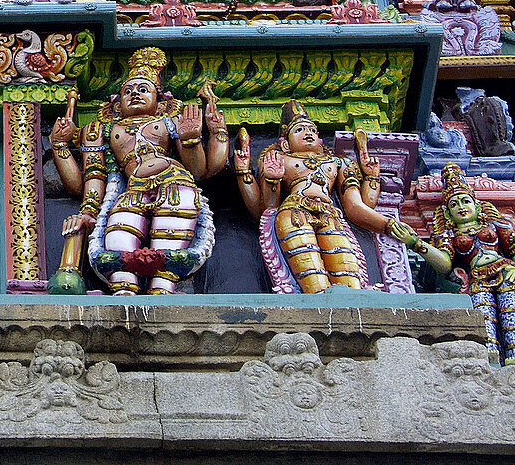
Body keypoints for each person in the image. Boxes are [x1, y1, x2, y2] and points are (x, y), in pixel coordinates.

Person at [55, 47, 224, 294]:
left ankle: (163, 290)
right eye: (127, 91)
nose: (135, 94)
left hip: (174, 183)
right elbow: (93, 176)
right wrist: (60, 147)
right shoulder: (99, 130)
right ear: (115, 105)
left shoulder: (170, 122)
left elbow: (199, 171)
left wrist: (191, 140)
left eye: (143, 90)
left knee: (170, 242)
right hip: (131, 189)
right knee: (117, 240)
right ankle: (123, 292)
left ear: (161, 102)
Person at [234, 101, 386, 293]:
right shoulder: (276, 159)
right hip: (294, 213)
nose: (308, 133)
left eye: (312, 129)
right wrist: (269, 180)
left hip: (330, 215)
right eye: (299, 129)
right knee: (312, 278)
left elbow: (358, 206)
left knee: (348, 274)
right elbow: (265, 208)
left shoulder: (339, 163)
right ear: (286, 144)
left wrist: (372, 176)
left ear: (321, 142)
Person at [389, 163, 515, 365]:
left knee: (510, 312)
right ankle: (492, 359)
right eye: (454, 205)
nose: (461, 207)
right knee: (484, 319)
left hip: (507, 272)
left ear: (477, 205)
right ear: (447, 213)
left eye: (465, 201)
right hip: (477, 278)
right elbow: (445, 264)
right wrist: (415, 243)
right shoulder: (450, 234)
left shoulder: (493, 223)